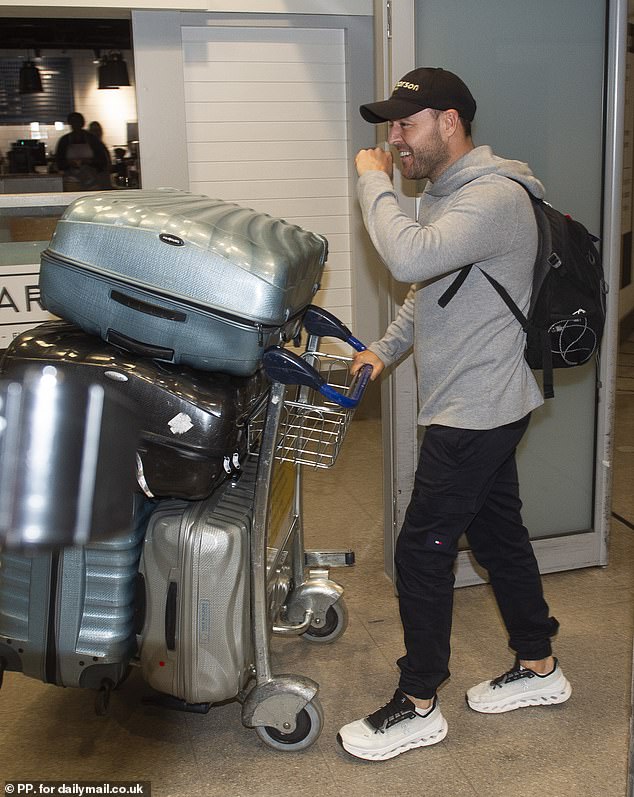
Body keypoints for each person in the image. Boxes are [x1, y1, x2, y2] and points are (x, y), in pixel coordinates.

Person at [337, 67, 571, 762]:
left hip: (478, 407)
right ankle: (539, 667)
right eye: (389, 129)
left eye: (406, 125)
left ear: (450, 122)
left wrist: (372, 181)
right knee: (499, 538)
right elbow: (432, 289)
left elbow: (408, 254)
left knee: (421, 550)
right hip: (482, 402)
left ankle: (416, 702)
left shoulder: (493, 196)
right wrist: (382, 351)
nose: (394, 140)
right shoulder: (451, 197)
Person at [55, 112, 111, 191]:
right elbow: (59, 162)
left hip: (93, 180)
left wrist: (89, 162)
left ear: (83, 123)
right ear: (70, 123)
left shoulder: (92, 139)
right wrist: (69, 163)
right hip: (71, 181)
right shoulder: (64, 140)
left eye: (78, 122)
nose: (76, 125)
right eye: (73, 122)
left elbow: (102, 161)